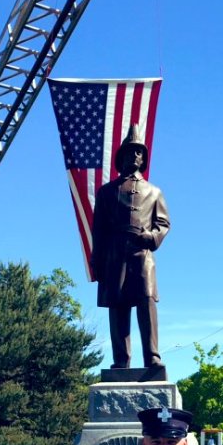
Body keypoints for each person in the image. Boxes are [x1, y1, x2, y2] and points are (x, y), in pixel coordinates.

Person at [90, 124, 170, 369]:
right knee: (118, 306)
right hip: (114, 255)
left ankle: (152, 356)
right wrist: (97, 262)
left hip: (142, 254)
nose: (135, 155)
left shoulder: (154, 192)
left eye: (139, 152)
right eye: (131, 151)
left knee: (147, 301)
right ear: (121, 156)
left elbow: (163, 224)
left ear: (143, 159)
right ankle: (121, 360)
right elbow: (99, 230)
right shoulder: (106, 192)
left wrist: (150, 237)